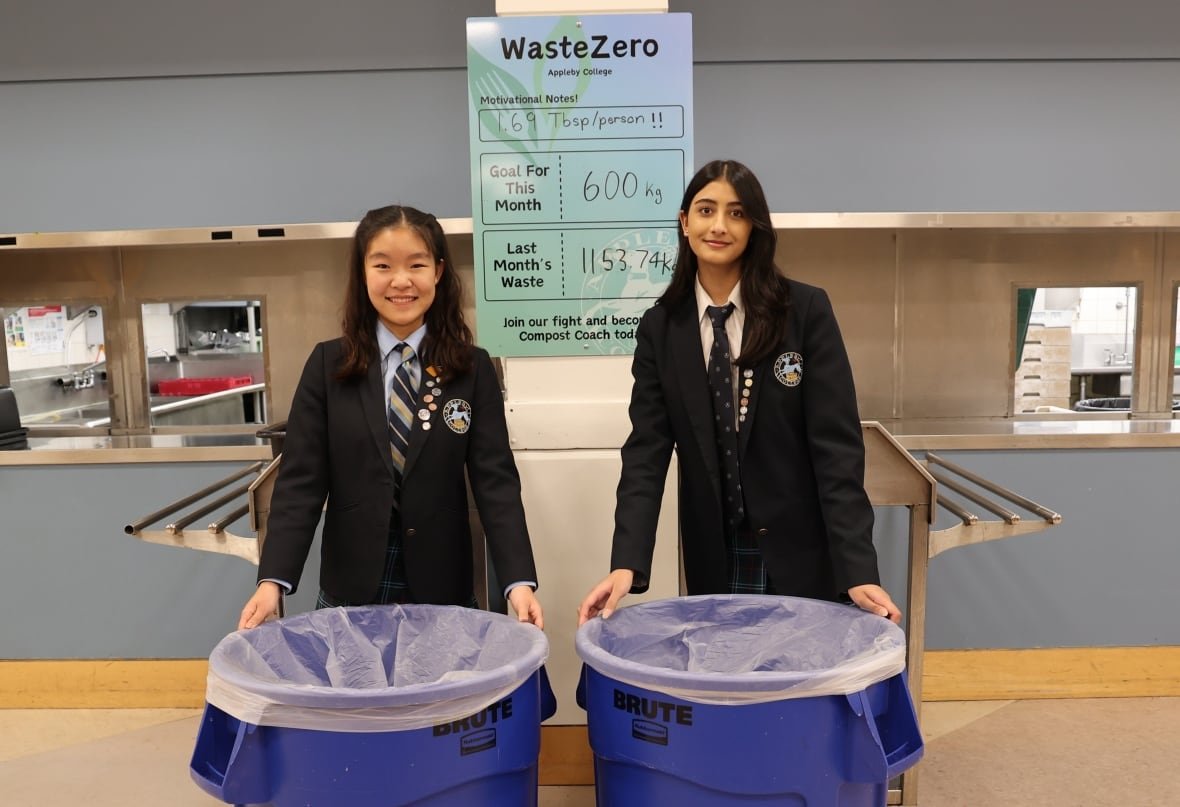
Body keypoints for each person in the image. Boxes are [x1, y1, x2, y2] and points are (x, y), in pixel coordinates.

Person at [578, 159, 900, 625]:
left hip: (802, 548)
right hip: (717, 551)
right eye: (706, 211)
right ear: (684, 222)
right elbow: (646, 452)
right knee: (727, 683)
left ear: (755, 226)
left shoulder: (804, 312)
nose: (719, 226)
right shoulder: (661, 329)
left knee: (796, 684)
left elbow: (837, 451)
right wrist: (627, 562)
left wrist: (858, 568)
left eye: (737, 213)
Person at [240, 205, 543, 630]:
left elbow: (496, 483)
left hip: (445, 583)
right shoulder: (329, 365)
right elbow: (300, 483)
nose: (401, 281)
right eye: (383, 265)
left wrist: (518, 581)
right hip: (352, 583)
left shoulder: (471, 369)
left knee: (444, 697)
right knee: (357, 696)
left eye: (416, 265)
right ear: (363, 272)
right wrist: (273, 581)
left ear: (437, 271)